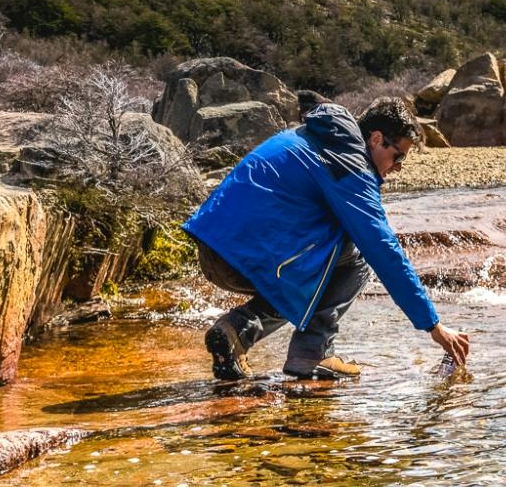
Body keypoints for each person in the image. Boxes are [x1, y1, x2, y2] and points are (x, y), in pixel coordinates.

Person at [182, 96, 473, 381]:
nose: (398, 167)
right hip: (243, 257)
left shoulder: (314, 136)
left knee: (325, 244)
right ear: (375, 139)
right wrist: (433, 326)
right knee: (357, 255)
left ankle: (234, 332)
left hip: (211, 247)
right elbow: (384, 251)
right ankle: (312, 352)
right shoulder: (350, 165)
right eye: (398, 156)